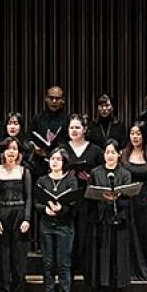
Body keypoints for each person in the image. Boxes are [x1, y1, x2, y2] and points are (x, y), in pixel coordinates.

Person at [86, 140, 133, 292]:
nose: (110, 155)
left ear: (119, 154)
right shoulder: (96, 172)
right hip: (101, 220)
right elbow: (89, 195)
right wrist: (102, 197)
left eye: (113, 152)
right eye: (107, 152)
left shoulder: (125, 173)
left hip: (119, 219)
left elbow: (129, 195)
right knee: (100, 257)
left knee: (118, 256)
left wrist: (117, 199)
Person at [0, 137, 32, 292]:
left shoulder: (24, 172)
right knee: (2, 259)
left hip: (20, 216)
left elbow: (29, 198)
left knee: (19, 259)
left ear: (19, 153)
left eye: (14, 148)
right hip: (2, 215)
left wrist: (27, 219)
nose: (11, 152)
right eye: (8, 149)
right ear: (2, 152)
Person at [60, 115, 103, 279]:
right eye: (71, 127)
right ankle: (67, 274)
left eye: (77, 127)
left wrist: (90, 178)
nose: (74, 130)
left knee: (86, 236)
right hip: (68, 199)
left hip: (87, 200)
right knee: (69, 237)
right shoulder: (62, 149)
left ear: (85, 129)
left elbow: (102, 173)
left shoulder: (95, 150)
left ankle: (87, 273)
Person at [36, 147, 77, 292]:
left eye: (58, 159)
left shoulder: (70, 180)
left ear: (64, 162)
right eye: (52, 158)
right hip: (46, 225)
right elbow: (37, 203)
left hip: (64, 226)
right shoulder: (42, 180)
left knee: (64, 263)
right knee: (48, 263)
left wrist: (62, 209)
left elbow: (74, 203)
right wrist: (45, 209)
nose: (55, 161)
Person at [122, 124, 147, 281]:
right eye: (132, 133)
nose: (135, 136)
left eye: (138, 133)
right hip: (128, 201)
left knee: (146, 235)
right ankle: (131, 270)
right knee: (130, 236)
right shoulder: (123, 155)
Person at [31, 86, 70, 169]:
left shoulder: (67, 119)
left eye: (57, 98)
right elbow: (29, 138)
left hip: (61, 162)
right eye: (51, 98)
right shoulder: (38, 118)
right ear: (46, 99)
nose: (54, 101)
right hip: (40, 162)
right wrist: (35, 148)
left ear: (63, 100)